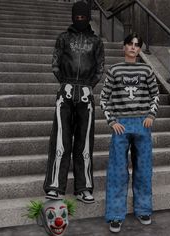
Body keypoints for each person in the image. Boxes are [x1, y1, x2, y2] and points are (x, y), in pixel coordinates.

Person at [43, 1, 105, 204]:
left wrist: (88, 86)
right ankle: (54, 185)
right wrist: (65, 83)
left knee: (85, 142)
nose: (80, 19)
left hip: (86, 93)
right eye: (77, 16)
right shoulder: (63, 38)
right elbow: (55, 64)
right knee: (61, 139)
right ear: (73, 16)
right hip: (66, 92)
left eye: (83, 16)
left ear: (87, 16)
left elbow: (99, 68)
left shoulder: (96, 42)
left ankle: (84, 187)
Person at [100, 32, 159, 233]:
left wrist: (151, 114)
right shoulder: (114, 70)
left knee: (143, 169)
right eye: (130, 44)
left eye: (137, 45)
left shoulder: (147, 70)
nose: (133, 48)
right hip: (121, 125)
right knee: (117, 171)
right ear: (124, 47)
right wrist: (112, 120)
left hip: (142, 123)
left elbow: (155, 94)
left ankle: (144, 209)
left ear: (140, 49)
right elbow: (103, 98)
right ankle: (116, 215)